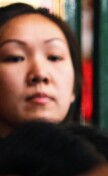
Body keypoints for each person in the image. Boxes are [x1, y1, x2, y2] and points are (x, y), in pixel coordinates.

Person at [0, 3, 81, 137]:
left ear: (74, 87)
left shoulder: (100, 157)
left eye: (54, 57)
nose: (40, 74)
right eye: (16, 58)